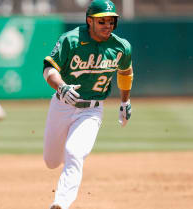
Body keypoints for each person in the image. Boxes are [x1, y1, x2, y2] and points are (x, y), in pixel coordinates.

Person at [42, 0, 133, 208]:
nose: (107, 25)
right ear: (89, 21)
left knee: (74, 152)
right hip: (62, 105)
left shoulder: (121, 47)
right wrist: (62, 86)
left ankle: (61, 203)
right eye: (102, 21)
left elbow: (126, 72)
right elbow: (48, 69)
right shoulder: (71, 40)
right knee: (52, 161)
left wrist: (125, 101)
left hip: (92, 110)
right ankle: (65, 167)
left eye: (111, 21)